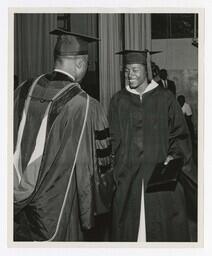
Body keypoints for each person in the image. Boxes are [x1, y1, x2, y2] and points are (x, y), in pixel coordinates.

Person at [13, 28, 114, 241]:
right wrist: (96, 206)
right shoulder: (85, 105)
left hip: (14, 205)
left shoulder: (23, 90)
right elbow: (92, 168)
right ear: (80, 63)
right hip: (59, 207)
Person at [109, 50, 196, 242]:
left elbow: (180, 135)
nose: (129, 74)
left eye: (134, 69)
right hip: (128, 178)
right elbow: (113, 140)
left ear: (146, 70)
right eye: (126, 70)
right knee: (130, 231)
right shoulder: (118, 101)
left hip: (159, 179)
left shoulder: (165, 99)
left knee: (162, 229)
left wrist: (173, 156)